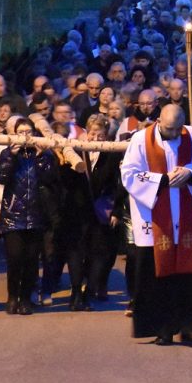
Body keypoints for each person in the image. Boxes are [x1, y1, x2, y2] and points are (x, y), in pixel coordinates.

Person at [120, 104, 192, 346]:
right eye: (168, 128)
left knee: (188, 276)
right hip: (154, 220)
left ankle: (188, 327)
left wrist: (190, 172)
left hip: (185, 218)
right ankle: (162, 329)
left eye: (177, 128)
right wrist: (162, 180)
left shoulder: (191, 136)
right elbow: (128, 174)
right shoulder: (141, 140)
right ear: (159, 121)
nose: (173, 133)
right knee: (157, 277)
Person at [0, 118, 60, 314]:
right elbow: (1, 177)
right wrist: (11, 156)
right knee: (14, 259)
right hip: (12, 214)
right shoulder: (7, 153)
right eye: (21, 132)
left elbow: (50, 178)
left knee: (31, 261)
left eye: (28, 131)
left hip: (36, 214)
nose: (25, 135)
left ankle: (25, 298)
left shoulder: (44, 154)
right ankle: (12, 296)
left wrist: (41, 157)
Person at [58, 113, 124, 310]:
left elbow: (118, 185)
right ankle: (76, 293)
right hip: (77, 210)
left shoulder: (112, 153)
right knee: (75, 253)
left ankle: (88, 292)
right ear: (87, 132)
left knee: (99, 254)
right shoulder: (75, 150)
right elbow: (65, 181)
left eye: (100, 135)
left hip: (100, 212)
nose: (96, 138)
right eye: (93, 133)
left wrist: (116, 211)